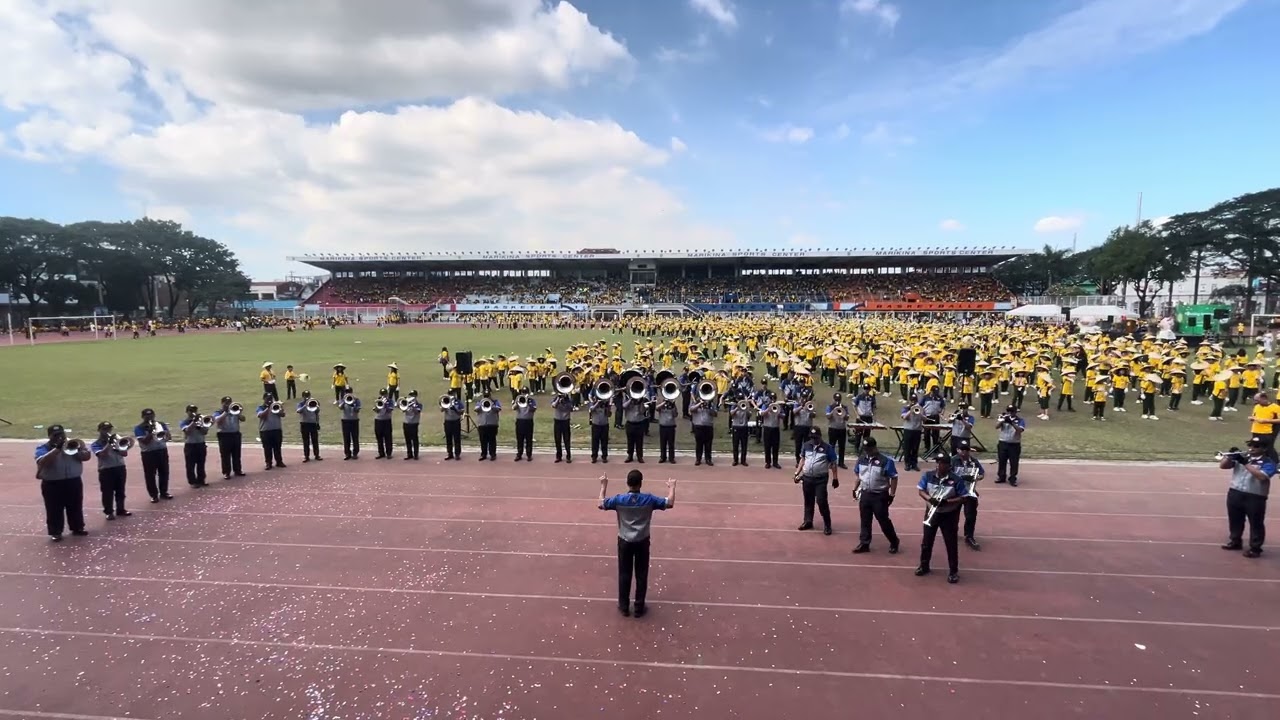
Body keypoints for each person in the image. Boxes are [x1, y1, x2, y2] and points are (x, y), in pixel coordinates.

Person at [598, 470, 676, 618]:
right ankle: (639, 607)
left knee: (624, 573)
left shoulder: (619, 500)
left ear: (627, 483)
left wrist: (603, 486)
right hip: (642, 540)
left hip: (625, 540)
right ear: (641, 483)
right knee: (641, 574)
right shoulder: (649, 499)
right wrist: (671, 487)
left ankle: (624, 606)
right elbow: (669, 503)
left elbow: (601, 504)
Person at [916, 453, 969, 583]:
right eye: (937, 462)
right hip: (932, 512)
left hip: (949, 515)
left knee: (950, 543)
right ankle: (924, 565)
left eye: (941, 463)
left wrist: (948, 502)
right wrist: (930, 499)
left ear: (948, 465)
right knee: (926, 542)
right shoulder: (928, 476)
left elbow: (964, 497)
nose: (938, 465)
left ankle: (953, 571)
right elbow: (921, 491)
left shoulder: (956, 479)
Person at [1219, 437, 1274, 558]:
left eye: (1256, 446)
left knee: (1256, 522)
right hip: (1235, 492)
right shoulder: (1243, 457)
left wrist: (1245, 463)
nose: (1252, 448)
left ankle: (1255, 548)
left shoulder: (1268, 462)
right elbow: (1223, 466)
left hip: (1255, 496)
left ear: (1264, 448)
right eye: (1251, 445)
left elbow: (1262, 477)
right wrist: (1229, 456)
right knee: (1235, 519)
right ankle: (1235, 541)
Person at [35, 425, 91, 541]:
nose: (59, 437)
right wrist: (57, 449)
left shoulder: (74, 444)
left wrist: (79, 450)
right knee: (54, 509)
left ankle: (77, 527)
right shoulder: (43, 448)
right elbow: (41, 461)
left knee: (75, 506)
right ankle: (56, 532)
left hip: (73, 480)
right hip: (52, 483)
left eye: (61, 434)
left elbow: (86, 457)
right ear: (49, 436)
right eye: (56, 435)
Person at [850, 437, 899, 554]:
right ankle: (864, 543)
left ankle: (894, 541)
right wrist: (854, 488)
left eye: (869, 449)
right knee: (865, 520)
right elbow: (859, 475)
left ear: (874, 447)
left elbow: (894, 477)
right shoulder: (861, 459)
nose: (867, 451)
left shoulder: (885, 461)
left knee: (883, 520)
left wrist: (892, 494)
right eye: (865, 449)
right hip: (865, 493)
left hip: (879, 495)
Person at [793, 427, 839, 535]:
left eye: (816, 437)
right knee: (808, 501)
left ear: (820, 436)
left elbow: (833, 463)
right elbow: (803, 459)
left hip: (820, 479)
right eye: (812, 437)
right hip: (807, 477)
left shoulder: (827, 448)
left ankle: (827, 524)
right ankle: (808, 521)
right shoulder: (806, 445)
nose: (814, 440)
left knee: (821, 501)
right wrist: (797, 473)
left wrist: (835, 478)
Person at [90, 422, 131, 520]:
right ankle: (109, 512)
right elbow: (101, 455)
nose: (107, 431)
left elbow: (124, 453)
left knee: (120, 491)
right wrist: (109, 444)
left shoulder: (117, 441)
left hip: (120, 467)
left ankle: (121, 509)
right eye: (104, 429)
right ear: (99, 430)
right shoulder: (96, 444)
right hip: (106, 470)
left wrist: (118, 445)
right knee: (107, 492)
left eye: (109, 429)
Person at [951, 439, 986, 550]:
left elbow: (981, 473)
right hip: (955, 493)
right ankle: (952, 533)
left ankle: (969, 536)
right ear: (957, 450)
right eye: (962, 450)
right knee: (953, 515)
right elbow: (947, 475)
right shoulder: (952, 461)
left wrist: (976, 477)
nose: (964, 452)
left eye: (966, 450)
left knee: (971, 515)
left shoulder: (974, 461)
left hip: (969, 492)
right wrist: (960, 478)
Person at [134, 409, 173, 503]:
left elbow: (168, 437)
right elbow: (145, 442)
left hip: (162, 450)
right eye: (147, 416)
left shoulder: (161, 424)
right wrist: (150, 432)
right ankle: (154, 495)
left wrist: (165, 433)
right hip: (148, 453)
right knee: (150, 475)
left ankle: (164, 492)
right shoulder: (139, 428)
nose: (150, 418)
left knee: (164, 472)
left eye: (151, 415)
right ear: (143, 417)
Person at [212, 396, 246, 479]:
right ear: (222, 403)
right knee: (225, 455)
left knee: (236, 454)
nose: (228, 404)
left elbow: (243, 419)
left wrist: (239, 413)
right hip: (224, 435)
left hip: (235, 434)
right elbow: (217, 420)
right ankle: (226, 472)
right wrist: (226, 412)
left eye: (229, 402)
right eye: (226, 403)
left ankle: (237, 470)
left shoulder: (234, 410)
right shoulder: (218, 412)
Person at [179, 404, 210, 487]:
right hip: (190, 445)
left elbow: (205, 432)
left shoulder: (201, 421)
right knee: (190, 465)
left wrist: (200, 425)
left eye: (194, 410)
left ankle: (201, 480)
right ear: (187, 412)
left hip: (200, 444)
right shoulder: (184, 422)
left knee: (201, 464)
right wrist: (194, 422)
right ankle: (192, 482)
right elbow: (187, 431)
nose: (193, 412)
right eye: (191, 411)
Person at [995, 405, 1025, 487]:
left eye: (1012, 411)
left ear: (1015, 412)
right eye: (1008, 411)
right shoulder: (1003, 417)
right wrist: (1003, 421)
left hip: (1014, 444)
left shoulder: (1020, 420)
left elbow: (1020, 430)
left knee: (1014, 462)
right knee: (1002, 461)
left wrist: (1011, 423)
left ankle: (1012, 478)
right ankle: (1001, 476)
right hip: (1003, 442)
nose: (1010, 413)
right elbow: (996, 426)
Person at [256, 393, 286, 469]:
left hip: (276, 429)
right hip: (265, 431)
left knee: (277, 447)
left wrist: (279, 409)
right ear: (264, 399)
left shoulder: (276, 406)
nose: (269, 400)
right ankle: (268, 463)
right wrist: (268, 408)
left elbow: (283, 415)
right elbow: (261, 415)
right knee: (267, 448)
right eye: (268, 398)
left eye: (270, 398)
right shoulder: (261, 407)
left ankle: (279, 461)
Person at [296, 390, 323, 462]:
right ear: (303, 397)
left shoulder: (314, 403)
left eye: (308, 396)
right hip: (304, 424)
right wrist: (305, 405)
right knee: (306, 441)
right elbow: (298, 411)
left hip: (313, 423)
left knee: (315, 440)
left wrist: (317, 423)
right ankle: (306, 456)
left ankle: (317, 455)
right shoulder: (300, 404)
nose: (307, 398)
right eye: (305, 396)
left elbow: (317, 413)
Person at [441, 394, 465, 460]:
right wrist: (445, 407)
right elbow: (441, 410)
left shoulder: (458, 402)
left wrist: (455, 409)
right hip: (448, 422)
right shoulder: (445, 400)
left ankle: (457, 454)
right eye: (449, 394)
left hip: (456, 422)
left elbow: (462, 412)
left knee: (457, 438)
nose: (450, 395)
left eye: (451, 394)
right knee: (448, 438)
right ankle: (450, 453)